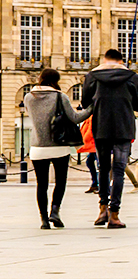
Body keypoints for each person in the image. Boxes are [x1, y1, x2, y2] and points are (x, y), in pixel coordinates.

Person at [81, 48, 138, 230]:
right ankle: (114, 214)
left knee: (103, 168)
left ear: (104, 59)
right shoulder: (131, 76)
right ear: (121, 60)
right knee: (118, 170)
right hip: (124, 127)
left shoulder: (92, 76)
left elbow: (85, 103)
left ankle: (102, 210)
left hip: (101, 126)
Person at [23, 70, 91, 230]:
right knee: (60, 181)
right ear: (56, 80)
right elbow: (75, 118)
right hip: (59, 146)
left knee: (42, 184)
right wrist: (91, 109)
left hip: (38, 147)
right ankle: (55, 210)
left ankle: (44, 220)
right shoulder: (61, 97)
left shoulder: (28, 97)